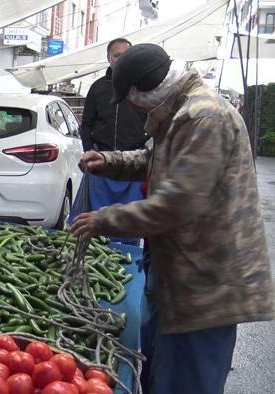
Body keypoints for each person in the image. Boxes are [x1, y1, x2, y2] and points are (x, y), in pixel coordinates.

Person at [71, 43, 275, 394]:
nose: (132, 106)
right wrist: (109, 161)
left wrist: (105, 219)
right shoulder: (182, 109)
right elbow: (154, 159)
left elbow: (177, 204)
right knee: (161, 376)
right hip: (180, 275)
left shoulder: (203, 117)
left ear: (146, 88)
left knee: (186, 382)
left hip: (205, 286)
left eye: (131, 97)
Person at [69, 38, 147, 242]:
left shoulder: (142, 88)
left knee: (129, 224)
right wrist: (89, 152)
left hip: (133, 167)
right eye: (116, 55)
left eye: (126, 55)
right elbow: (86, 125)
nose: (121, 60)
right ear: (108, 58)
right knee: (93, 224)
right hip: (101, 166)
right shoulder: (98, 88)